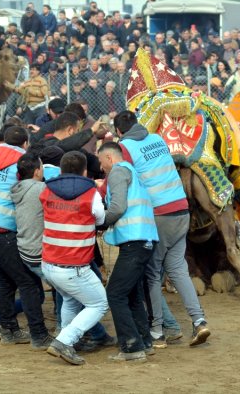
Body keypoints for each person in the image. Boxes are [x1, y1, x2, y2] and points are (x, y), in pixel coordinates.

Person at [114, 112, 210, 347]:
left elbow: (124, 177)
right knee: (178, 268)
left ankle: (157, 331)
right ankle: (199, 321)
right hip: (181, 210)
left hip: (159, 215)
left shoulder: (125, 147)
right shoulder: (158, 139)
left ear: (118, 131)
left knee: (152, 273)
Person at [0, 126, 52, 349]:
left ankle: (9, 329)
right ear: (25, 144)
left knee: (6, 280)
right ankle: (39, 334)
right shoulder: (23, 162)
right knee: (29, 283)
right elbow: (37, 180)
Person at [40, 151, 109, 365]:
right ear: (85, 171)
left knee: (70, 300)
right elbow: (100, 218)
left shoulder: (47, 189)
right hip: (74, 266)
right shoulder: (91, 193)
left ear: (60, 170)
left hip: (49, 263)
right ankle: (64, 341)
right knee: (99, 304)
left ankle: (65, 341)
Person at [97, 142, 158, 362]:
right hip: (145, 239)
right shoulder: (133, 172)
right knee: (132, 293)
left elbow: (118, 208)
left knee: (114, 293)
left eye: (101, 161)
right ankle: (144, 341)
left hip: (134, 240)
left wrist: (100, 221)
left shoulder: (117, 172)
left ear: (109, 158)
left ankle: (132, 347)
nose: (101, 167)